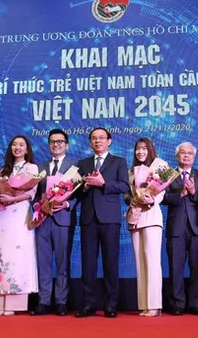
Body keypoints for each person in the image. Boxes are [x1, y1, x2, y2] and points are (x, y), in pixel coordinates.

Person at [75, 127, 129, 318]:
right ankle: (89, 303)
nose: (98, 141)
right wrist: (86, 186)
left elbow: (124, 186)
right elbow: (76, 192)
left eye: (101, 138)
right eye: (94, 138)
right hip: (88, 219)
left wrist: (103, 184)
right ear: (90, 142)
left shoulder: (119, 162)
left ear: (109, 141)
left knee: (110, 262)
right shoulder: (83, 163)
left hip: (110, 219)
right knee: (88, 263)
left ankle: (111, 304)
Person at [0, 135, 39, 316]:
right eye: (14, 145)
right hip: (2, 216)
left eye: (21, 145)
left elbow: (32, 192)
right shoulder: (3, 170)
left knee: (17, 254)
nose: (17, 147)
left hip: (19, 214)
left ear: (27, 149)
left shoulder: (31, 168)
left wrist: (13, 198)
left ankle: (14, 304)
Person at [30, 129, 77, 316]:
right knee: (43, 262)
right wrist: (38, 206)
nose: (56, 144)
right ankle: (43, 301)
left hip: (63, 218)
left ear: (66, 144)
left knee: (62, 262)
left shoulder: (75, 167)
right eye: (52, 141)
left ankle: (61, 301)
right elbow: (32, 195)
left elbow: (80, 194)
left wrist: (66, 203)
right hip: (43, 220)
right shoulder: (39, 168)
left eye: (59, 141)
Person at [161, 142, 198, 316]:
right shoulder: (168, 175)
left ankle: (196, 304)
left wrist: (194, 192)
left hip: (197, 228)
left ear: (194, 157)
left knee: (197, 267)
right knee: (175, 267)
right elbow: (161, 197)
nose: (186, 156)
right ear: (177, 156)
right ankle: (177, 303)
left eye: (190, 153)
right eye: (183, 153)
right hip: (176, 228)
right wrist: (179, 195)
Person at [126, 138, 165, 317]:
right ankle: (143, 304)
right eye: (137, 149)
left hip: (152, 217)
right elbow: (127, 194)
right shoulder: (131, 172)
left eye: (143, 149)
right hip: (136, 218)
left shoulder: (158, 168)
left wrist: (150, 199)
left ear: (150, 150)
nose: (140, 152)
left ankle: (155, 305)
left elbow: (161, 192)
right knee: (140, 261)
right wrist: (133, 199)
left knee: (152, 261)